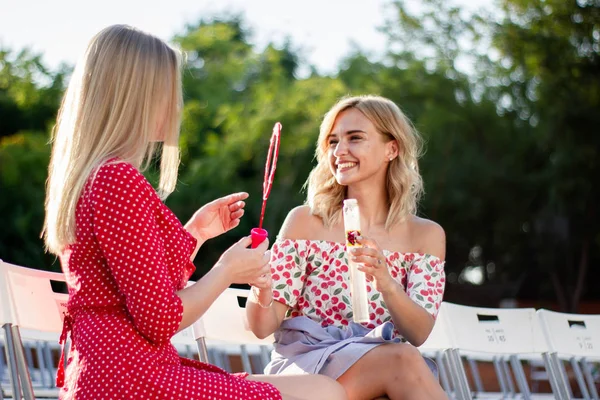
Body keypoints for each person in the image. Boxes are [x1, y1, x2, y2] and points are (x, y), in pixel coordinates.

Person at [42, 24, 347, 400]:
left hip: (115, 373)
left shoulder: (98, 177)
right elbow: (161, 318)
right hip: (131, 381)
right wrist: (227, 271)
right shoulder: (117, 179)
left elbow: (137, 285)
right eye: (166, 92)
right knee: (323, 393)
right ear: (133, 95)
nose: (175, 105)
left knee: (322, 389)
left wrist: (196, 234)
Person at [246, 95, 448, 400]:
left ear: (391, 149)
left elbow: (418, 333)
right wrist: (261, 286)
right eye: (332, 142)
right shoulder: (305, 222)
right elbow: (262, 328)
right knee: (403, 360)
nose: (340, 151)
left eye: (355, 138)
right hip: (306, 368)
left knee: (404, 357)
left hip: (379, 367)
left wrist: (386, 283)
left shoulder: (425, 236)